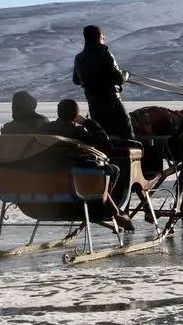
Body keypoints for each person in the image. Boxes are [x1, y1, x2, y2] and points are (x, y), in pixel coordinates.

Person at [38, 99, 134, 231]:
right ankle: (103, 204)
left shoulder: (43, 130)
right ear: (75, 114)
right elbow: (103, 138)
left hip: (47, 177)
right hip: (73, 179)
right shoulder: (78, 132)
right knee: (114, 169)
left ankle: (107, 203)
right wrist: (85, 121)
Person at [72, 25, 135, 140]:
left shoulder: (79, 58)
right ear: (99, 37)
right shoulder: (105, 54)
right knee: (127, 135)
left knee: (101, 136)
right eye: (103, 37)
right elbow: (119, 79)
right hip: (113, 105)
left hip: (94, 106)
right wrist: (126, 75)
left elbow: (76, 80)